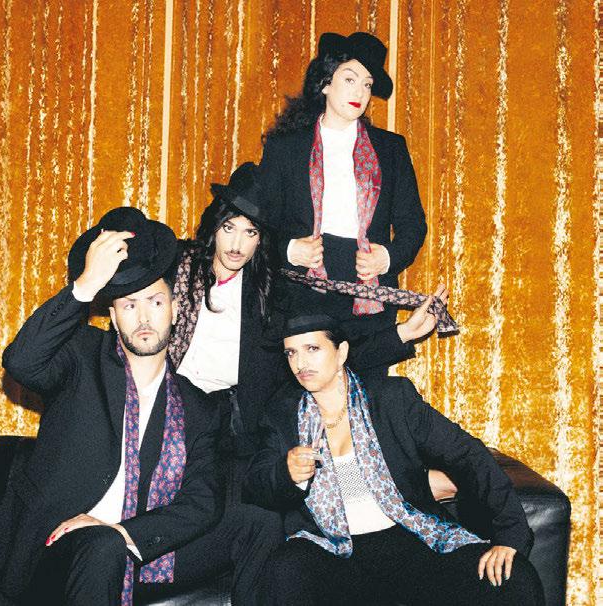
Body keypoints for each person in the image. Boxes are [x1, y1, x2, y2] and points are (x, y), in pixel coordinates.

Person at [0, 207, 281, 606]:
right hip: (58, 550)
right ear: (114, 318)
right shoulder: (81, 358)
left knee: (258, 523)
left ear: (175, 309)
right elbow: (21, 362)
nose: (144, 318)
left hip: (136, 547)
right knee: (103, 547)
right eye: (129, 306)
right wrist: (84, 287)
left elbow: (201, 504)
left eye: (155, 302)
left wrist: (126, 532)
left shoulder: (197, 406)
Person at [168, 163, 444, 501]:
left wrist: (401, 334)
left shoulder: (272, 295)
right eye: (229, 228)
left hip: (234, 427)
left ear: (261, 239)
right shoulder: (178, 266)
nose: (237, 244)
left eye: (250, 232)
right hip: (170, 408)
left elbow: (328, 351)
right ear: (215, 226)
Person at [244, 313, 544, 606]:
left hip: (408, 536)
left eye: (312, 348)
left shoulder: (391, 399)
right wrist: (286, 473)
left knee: (515, 579)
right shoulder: (282, 414)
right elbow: (255, 483)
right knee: (285, 571)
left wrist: (509, 534)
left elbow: (468, 454)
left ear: (341, 352)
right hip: (332, 549)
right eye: (291, 353)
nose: (300, 363)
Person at [259, 32, 427, 378]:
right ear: (325, 83)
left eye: (367, 85)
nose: (359, 93)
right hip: (303, 286)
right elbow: (261, 224)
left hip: (368, 288)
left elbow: (413, 224)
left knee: (366, 391)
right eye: (350, 79)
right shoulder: (285, 148)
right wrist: (290, 250)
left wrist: (388, 257)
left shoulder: (390, 149)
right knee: (306, 393)